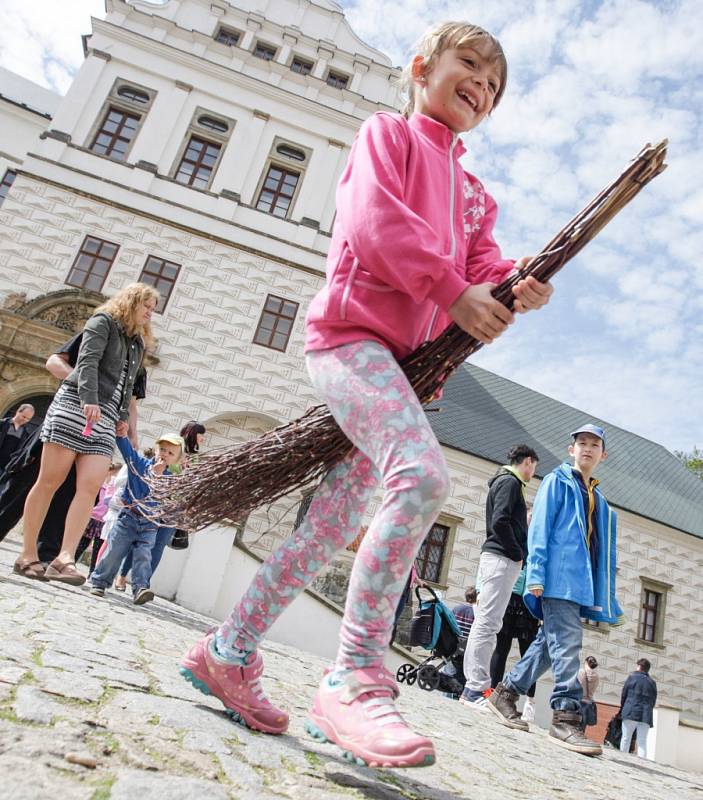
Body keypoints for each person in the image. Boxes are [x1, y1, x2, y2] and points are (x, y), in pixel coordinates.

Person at [178, 20, 552, 769]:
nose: (480, 81)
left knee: (325, 531)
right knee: (422, 478)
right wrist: (452, 290)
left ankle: (228, 649)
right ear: (421, 68)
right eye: (468, 63)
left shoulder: (477, 198)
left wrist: (517, 286)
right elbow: (373, 224)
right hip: (350, 344)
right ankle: (353, 679)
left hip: (406, 376)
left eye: (494, 82)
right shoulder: (387, 135)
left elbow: (483, 276)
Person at [487, 424, 624, 757]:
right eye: (581, 443)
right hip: (557, 579)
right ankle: (565, 717)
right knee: (567, 644)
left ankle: (505, 693)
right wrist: (535, 574)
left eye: (594, 445)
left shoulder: (599, 499)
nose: (587, 448)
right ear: (571, 449)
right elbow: (540, 529)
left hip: (581, 584)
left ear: (603, 455)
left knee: (549, 645)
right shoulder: (555, 482)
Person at [13, 283, 157, 585]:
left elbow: (128, 386)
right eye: (147, 306)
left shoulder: (137, 343)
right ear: (131, 302)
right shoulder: (102, 322)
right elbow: (88, 361)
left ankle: (64, 558)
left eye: (152, 308)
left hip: (104, 420)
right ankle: (27, 554)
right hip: (75, 407)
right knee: (49, 482)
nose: (150, 313)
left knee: (90, 487)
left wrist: (121, 419)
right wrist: (88, 398)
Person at [460, 444, 539, 708]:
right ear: (528, 462)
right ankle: (476, 689)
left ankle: (472, 688)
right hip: (502, 558)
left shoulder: (502, 481)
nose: (533, 473)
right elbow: (500, 521)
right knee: (488, 625)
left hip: (497, 558)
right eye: (534, 467)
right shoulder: (511, 483)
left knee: (485, 623)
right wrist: (517, 552)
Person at [90, 430, 184, 605]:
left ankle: (140, 587)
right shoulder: (139, 464)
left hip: (149, 524)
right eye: (163, 449)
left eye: (171, 453)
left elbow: (163, 500)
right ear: (156, 450)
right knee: (114, 552)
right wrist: (121, 433)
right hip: (128, 519)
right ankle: (99, 582)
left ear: (176, 460)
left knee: (144, 556)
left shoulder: (170, 479)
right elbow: (126, 449)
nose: (165, 455)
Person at [114, 420, 205, 590]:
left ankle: (143, 584)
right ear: (193, 433)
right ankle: (122, 575)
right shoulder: (173, 447)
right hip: (155, 504)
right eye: (201, 435)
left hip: (174, 510)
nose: (203, 440)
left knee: (158, 546)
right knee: (140, 542)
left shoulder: (196, 460)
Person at [489, 565, 540, 721]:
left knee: (529, 654)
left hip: (530, 599)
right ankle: (492, 694)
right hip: (511, 597)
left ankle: (530, 702)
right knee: (501, 649)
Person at [620, 658, 657, 758]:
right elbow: (653, 700)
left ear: (639, 667)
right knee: (642, 741)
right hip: (646, 715)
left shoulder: (632, 677)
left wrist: (622, 708)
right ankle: (642, 762)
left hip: (630, 711)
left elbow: (624, 695)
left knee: (626, 738)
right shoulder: (652, 683)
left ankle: (623, 758)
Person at [0, 404, 35, 474]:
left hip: (5, 469)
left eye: (28, 419)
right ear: (18, 411)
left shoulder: (25, 434)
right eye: (24, 416)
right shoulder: (2, 423)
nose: (25, 420)